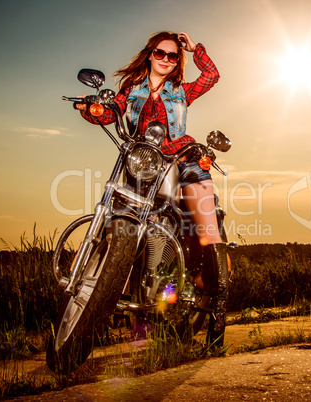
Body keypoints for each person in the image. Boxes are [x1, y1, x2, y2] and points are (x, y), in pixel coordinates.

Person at [76, 31, 228, 348]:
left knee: (207, 227)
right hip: (142, 163)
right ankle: (114, 299)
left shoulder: (181, 92)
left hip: (182, 159)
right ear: (150, 53)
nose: (166, 59)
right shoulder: (130, 91)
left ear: (176, 62)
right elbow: (111, 111)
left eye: (173, 56)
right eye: (161, 53)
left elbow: (211, 76)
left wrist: (193, 47)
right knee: (123, 219)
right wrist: (92, 108)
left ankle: (219, 313)